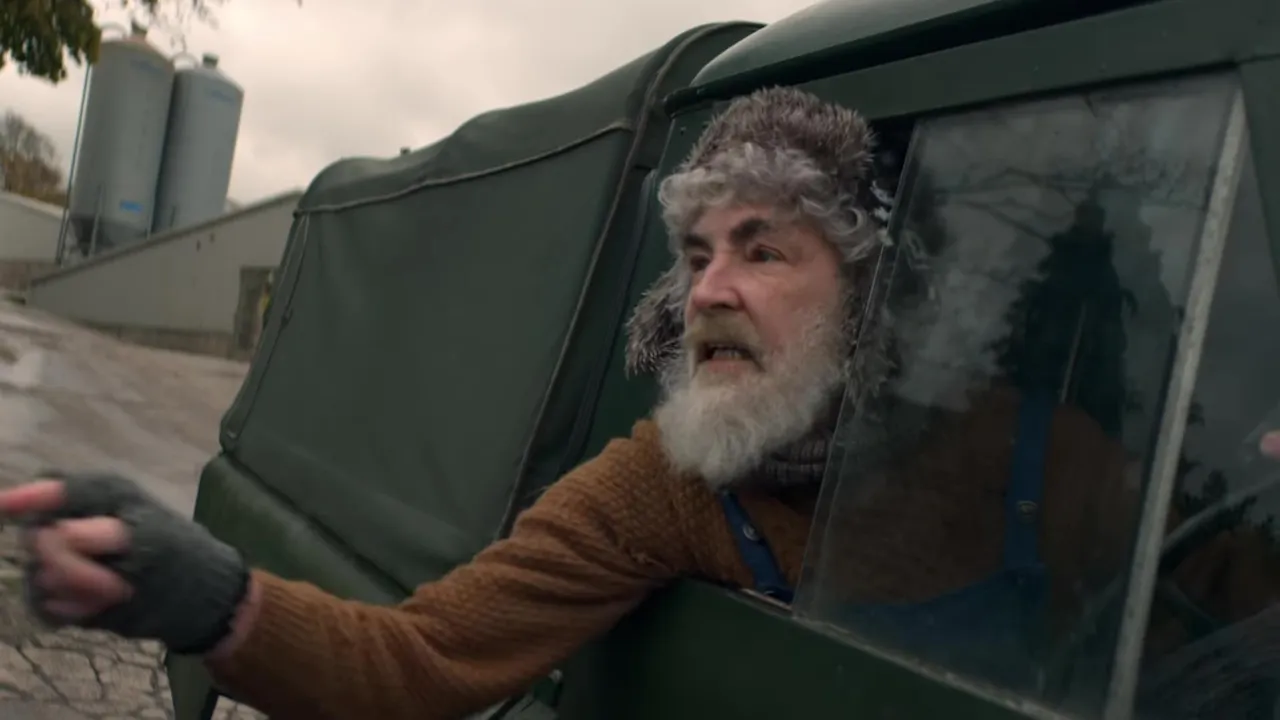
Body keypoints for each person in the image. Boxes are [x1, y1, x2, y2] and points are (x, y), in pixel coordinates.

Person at [0, 87, 1277, 720]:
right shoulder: (665, 484)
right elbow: (420, 659)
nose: (709, 288)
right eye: (699, 252)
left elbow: (1232, 604)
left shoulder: (1034, 458)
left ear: (874, 297)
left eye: (763, 249)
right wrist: (207, 593)